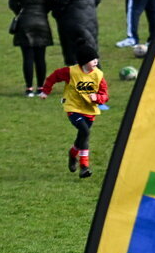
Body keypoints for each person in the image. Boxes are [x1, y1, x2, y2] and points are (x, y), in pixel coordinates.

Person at [39, 44, 110, 178]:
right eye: (92, 59)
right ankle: (84, 166)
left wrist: (97, 98)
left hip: (89, 110)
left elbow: (105, 95)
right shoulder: (71, 72)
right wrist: (45, 91)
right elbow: (54, 77)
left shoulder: (99, 75)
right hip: (73, 108)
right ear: (84, 61)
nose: (96, 61)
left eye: (96, 59)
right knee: (85, 132)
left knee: (82, 136)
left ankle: (72, 154)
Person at [9, 0, 55, 97]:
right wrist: (42, 12)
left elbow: (12, 2)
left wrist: (21, 12)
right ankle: (41, 87)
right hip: (42, 21)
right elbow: (51, 3)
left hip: (25, 22)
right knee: (40, 57)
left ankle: (29, 88)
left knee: (27, 57)